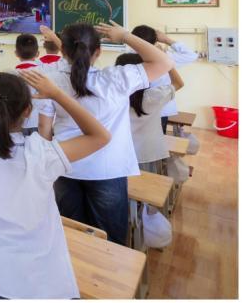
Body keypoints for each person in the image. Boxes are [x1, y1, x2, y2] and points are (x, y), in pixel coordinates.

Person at [0, 69, 112, 299]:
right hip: (42, 272)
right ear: (27, 111)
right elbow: (100, 136)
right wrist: (57, 95)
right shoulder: (43, 153)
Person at [42, 21, 173, 245]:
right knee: (110, 242)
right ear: (98, 51)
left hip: (64, 166)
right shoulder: (116, 79)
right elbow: (164, 62)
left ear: (62, 51)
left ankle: (77, 278)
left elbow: (45, 131)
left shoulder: (51, 81)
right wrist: (125, 36)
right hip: (108, 170)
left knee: (70, 236)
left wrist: (47, 167)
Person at [116, 53, 184, 173]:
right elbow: (178, 83)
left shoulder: (110, 97)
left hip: (119, 154)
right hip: (148, 154)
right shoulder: (153, 96)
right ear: (143, 73)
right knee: (149, 189)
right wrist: (167, 61)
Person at [131, 25, 198, 134]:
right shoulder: (165, 57)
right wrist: (167, 40)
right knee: (156, 142)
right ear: (155, 41)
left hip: (134, 109)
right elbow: (191, 56)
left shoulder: (128, 57)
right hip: (159, 109)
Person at [13, 33, 55, 137]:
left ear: (16, 53)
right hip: (46, 123)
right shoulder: (48, 71)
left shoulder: (11, 75)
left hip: (20, 124)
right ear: (37, 54)